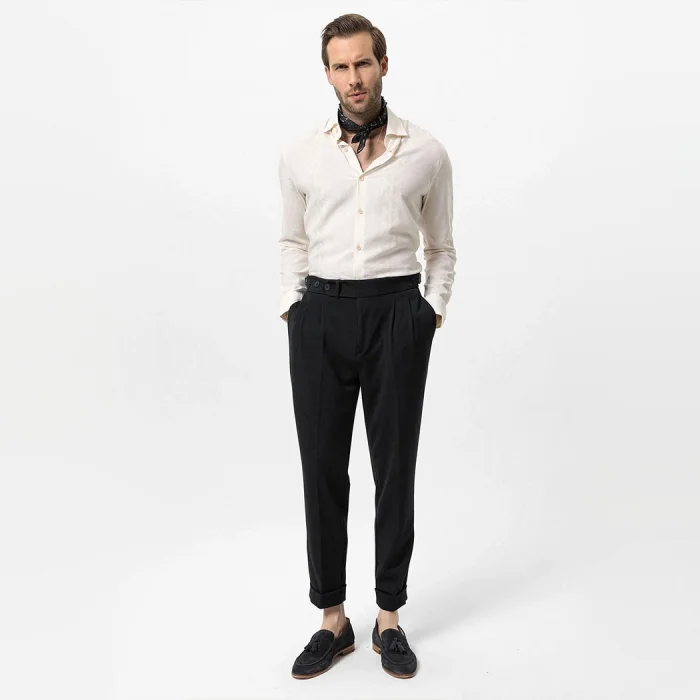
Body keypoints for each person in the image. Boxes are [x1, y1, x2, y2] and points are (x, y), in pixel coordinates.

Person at [278, 13, 457, 680]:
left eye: (363, 63)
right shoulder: (301, 155)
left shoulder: (426, 152)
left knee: (394, 469)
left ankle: (389, 618)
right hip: (320, 316)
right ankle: (333, 619)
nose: (353, 77)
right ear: (327, 73)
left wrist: (429, 312)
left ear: (383, 64)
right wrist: (294, 306)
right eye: (341, 66)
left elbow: (441, 246)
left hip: (395, 316)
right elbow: (291, 239)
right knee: (322, 470)